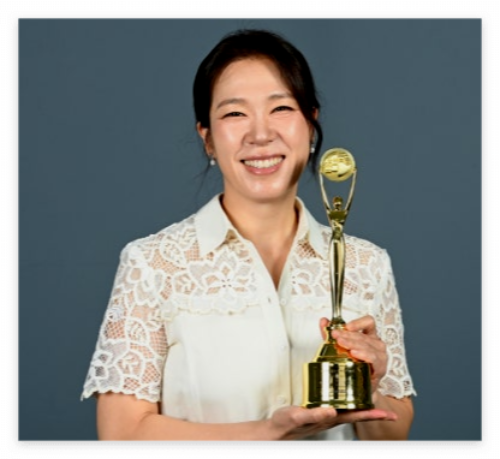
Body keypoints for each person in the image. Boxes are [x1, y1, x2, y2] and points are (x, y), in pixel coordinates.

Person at [81, 29, 415, 441]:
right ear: (207, 138)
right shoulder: (152, 264)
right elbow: (122, 433)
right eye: (235, 114)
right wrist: (268, 432)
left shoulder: (367, 263)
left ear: (311, 124)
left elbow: (393, 435)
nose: (260, 134)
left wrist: (371, 384)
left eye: (281, 108)